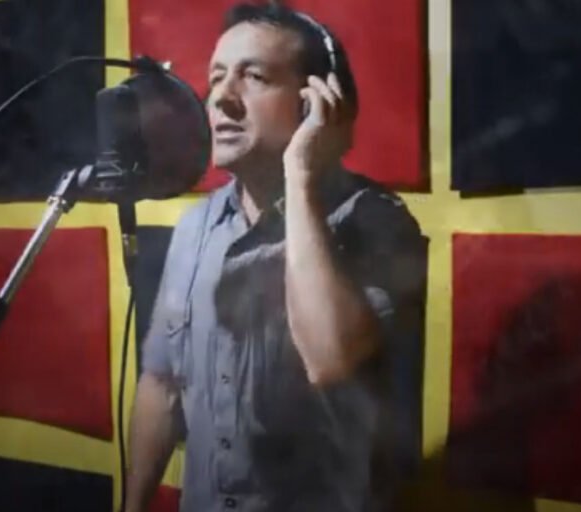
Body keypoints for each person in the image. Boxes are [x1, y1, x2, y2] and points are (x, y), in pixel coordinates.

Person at [124, 2, 427, 511]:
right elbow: (161, 382)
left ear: (314, 103)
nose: (221, 97)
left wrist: (301, 177)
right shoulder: (194, 228)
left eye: (254, 77)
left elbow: (330, 358)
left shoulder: (376, 220)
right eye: (216, 77)